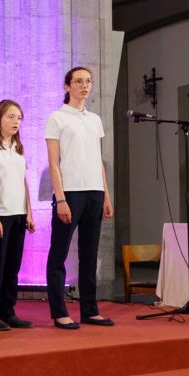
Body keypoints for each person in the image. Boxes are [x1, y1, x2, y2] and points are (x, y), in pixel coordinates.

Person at [45, 66, 115, 329]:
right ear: (67, 86)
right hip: (70, 193)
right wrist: (61, 199)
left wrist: (106, 195)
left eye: (88, 81)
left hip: (95, 191)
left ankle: (90, 310)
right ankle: (59, 312)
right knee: (59, 254)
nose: (85, 86)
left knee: (89, 254)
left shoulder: (95, 120)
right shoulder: (57, 118)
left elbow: (98, 160)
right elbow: (54, 163)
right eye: (78, 81)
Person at [0, 100, 36, 331]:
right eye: (11, 117)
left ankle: (7, 311)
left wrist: (29, 212)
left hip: (18, 214)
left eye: (19, 118)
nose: (15, 122)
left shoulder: (19, 148)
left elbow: (23, 182)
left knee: (13, 265)